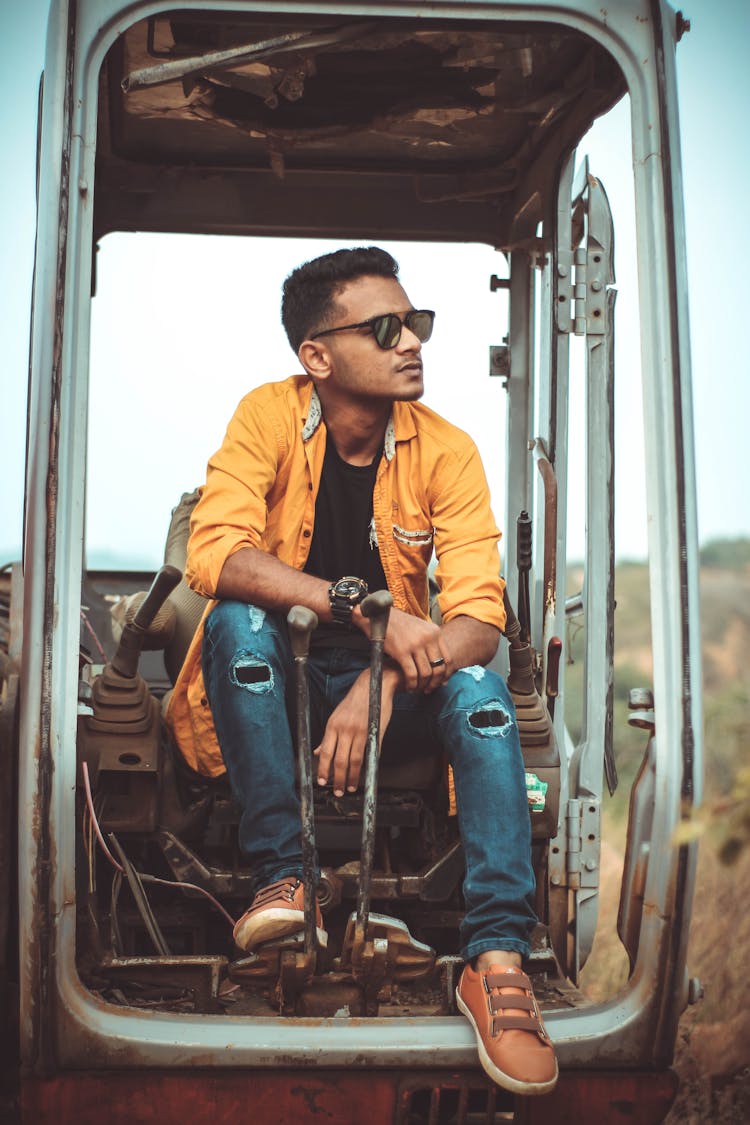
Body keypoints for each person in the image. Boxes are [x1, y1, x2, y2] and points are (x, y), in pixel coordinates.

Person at [166, 246, 558, 1096]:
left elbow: (479, 619)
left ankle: (496, 960)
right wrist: (365, 613)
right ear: (317, 357)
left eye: (416, 323)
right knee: (237, 622)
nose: (411, 341)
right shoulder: (268, 417)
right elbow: (216, 554)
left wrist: (380, 682)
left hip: (402, 690)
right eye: (386, 328)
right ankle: (285, 878)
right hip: (280, 680)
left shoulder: (445, 449)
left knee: (483, 692)